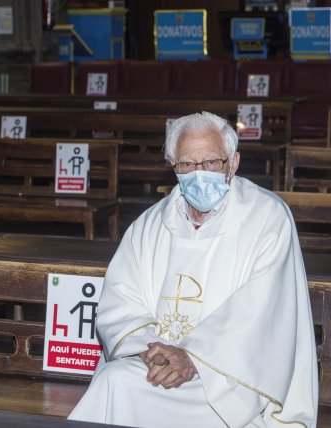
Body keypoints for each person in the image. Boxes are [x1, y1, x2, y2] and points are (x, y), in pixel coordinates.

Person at [68, 111, 318, 427]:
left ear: (233, 163)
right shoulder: (150, 225)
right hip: (157, 367)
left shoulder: (267, 218)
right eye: (187, 165)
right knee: (113, 382)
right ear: (174, 167)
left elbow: (262, 315)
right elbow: (120, 300)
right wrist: (155, 353)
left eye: (212, 162)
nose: (199, 174)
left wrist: (192, 358)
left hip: (231, 380)